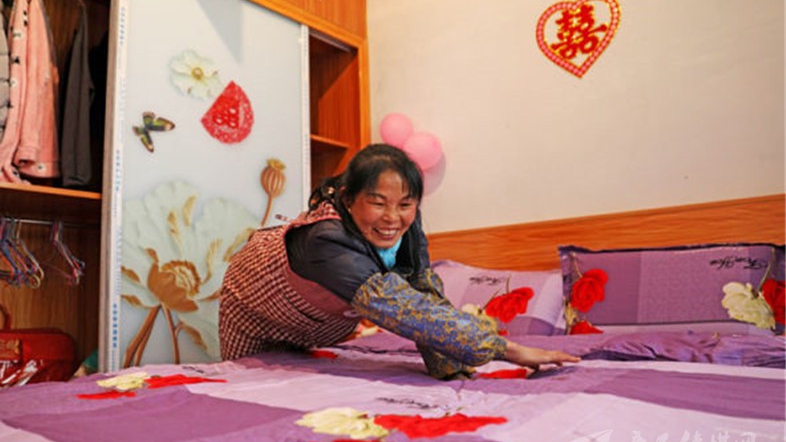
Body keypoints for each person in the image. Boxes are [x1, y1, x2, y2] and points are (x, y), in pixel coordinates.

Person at [219, 144, 579, 379]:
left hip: (318, 327)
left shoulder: (406, 222)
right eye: (377, 203)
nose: (393, 217)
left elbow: (423, 290)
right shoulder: (324, 239)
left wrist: (447, 368)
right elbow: (404, 308)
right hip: (253, 316)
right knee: (241, 388)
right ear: (348, 198)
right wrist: (507, 349)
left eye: (406, 204)